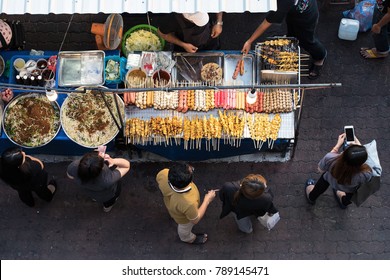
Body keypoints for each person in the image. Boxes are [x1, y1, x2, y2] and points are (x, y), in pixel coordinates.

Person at [241, 0, 327, 79]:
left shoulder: (283, 3)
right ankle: (292, 39)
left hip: (307, 16)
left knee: (307, 41)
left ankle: (320, 57)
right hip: (294, 10)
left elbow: (267, 23)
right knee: (292, 31)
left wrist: (249, 41)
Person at [305, 133, 373, 209]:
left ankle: (311, 197)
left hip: (330, 180)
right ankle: (343, 202)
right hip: (350, 189)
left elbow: (320, 169)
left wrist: (337, 146)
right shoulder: (367, 173)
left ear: (344, 153)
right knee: (349, 197)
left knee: (322, 182)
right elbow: (367, 181)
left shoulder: (331, 158)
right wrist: (360, 148)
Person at [156, 163, 216, 244]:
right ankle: (188, 238)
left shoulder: (163, 173)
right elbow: (195, 219)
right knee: (184, 229)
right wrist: (207, 200)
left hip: (171, 205)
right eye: (191, 170)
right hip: (183, 219)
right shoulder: (189, 203)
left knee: (173, 212)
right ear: (190, 181)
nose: (191, 168)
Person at [157, 12, 223, 53]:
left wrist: (219, 22)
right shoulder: (172, 19)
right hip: (187, 48)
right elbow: (161, 33)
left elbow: (219, 3)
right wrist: (183, 45)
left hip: (210, 37)